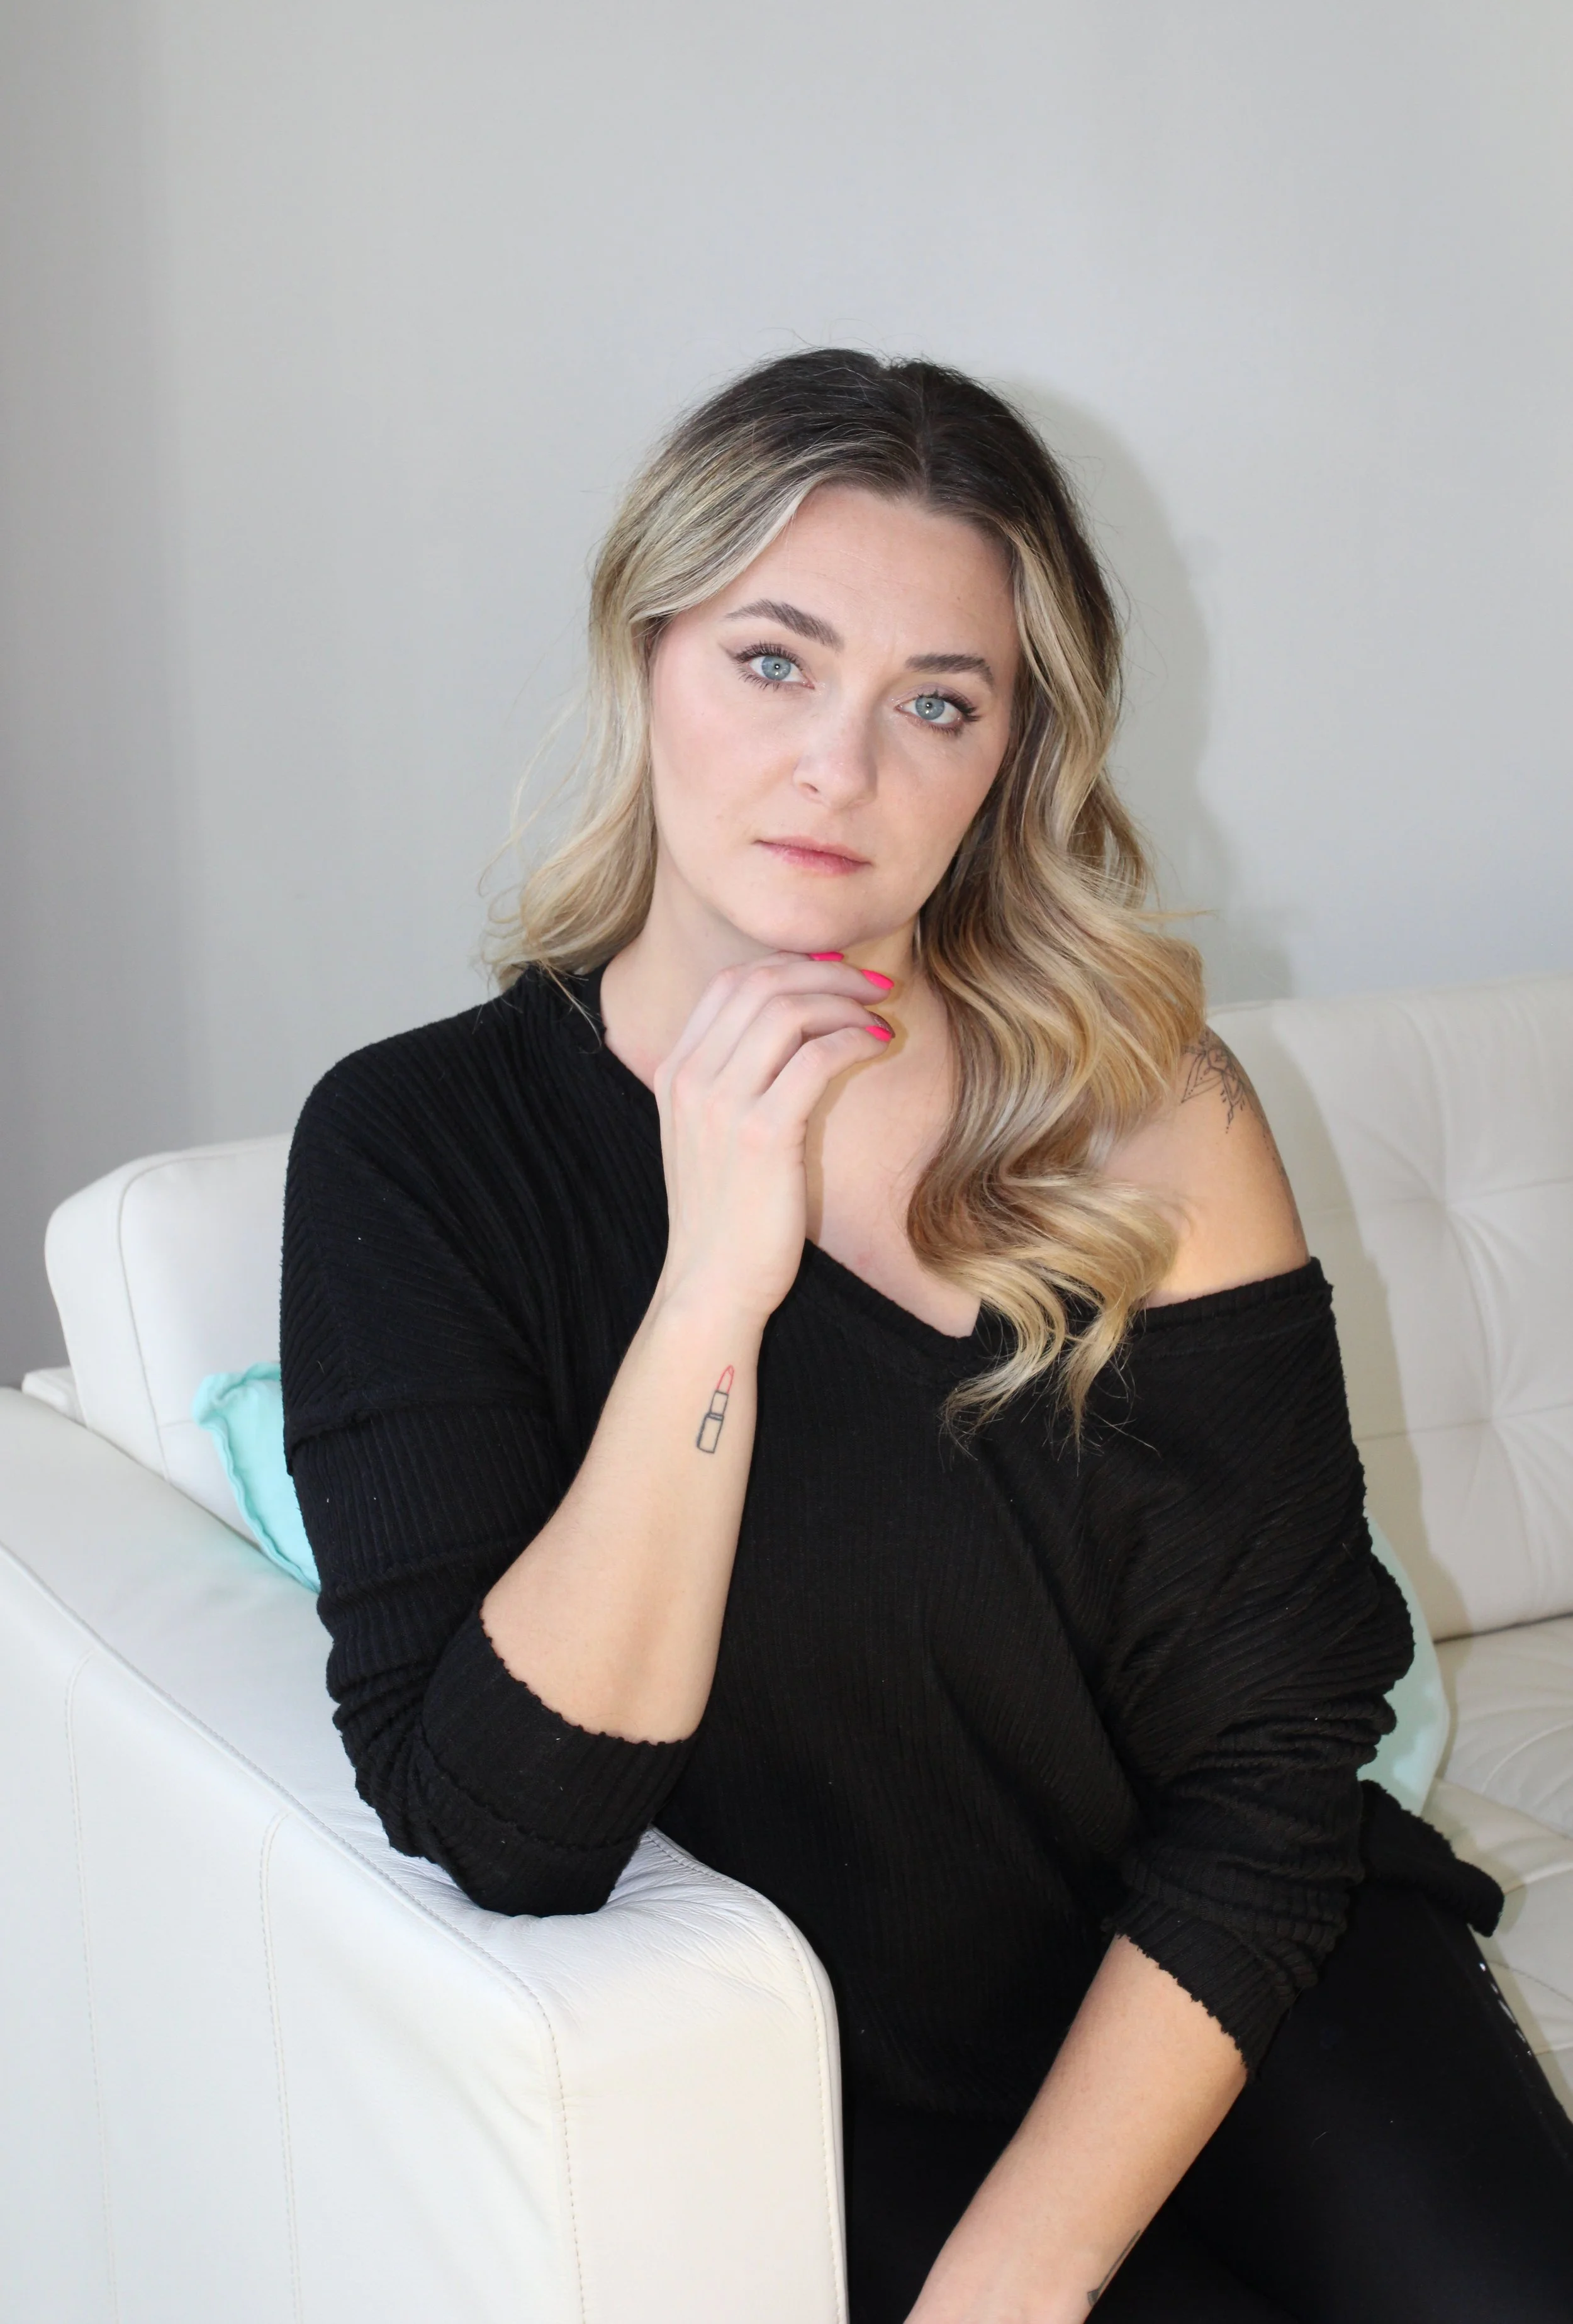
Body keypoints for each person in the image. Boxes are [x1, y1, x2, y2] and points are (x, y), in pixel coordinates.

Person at [280, 350, 1573, 2322]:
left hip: (1238, 1969)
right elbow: (506, 1827)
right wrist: (716, 1270)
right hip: (837, 2064)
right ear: (645, 658)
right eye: (773, 662)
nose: (839, 766)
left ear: (1006, 760)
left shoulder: (1149, 1108)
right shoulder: (413, 1147)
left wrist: (1017, 2280)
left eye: (935, 703)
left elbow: (1286, 1743)